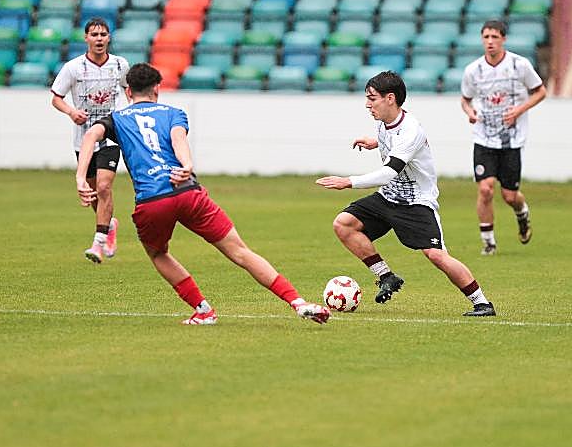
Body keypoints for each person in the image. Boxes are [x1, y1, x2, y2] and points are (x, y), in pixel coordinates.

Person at [76, 63, 330, 326]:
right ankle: (297, 302)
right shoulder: (174, 113)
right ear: (157, 90)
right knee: (240, 251)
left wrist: (81, 177)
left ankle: (203, 309)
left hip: (153, 201)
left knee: (158, 253)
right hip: (187, 190)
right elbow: (178, 141)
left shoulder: (117, 119)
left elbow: (91, 136)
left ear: (128, 92)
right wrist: (186, 166)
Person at [316, 71, 496, 317]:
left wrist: (348, 182)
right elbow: (393, 141)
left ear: (390, 98)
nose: (368, 104)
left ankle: (482, 303)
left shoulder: (411, 130)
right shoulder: (384, 123)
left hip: (416, 203)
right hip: (388, 197)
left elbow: (389, 172)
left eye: (372, 98)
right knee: (344, 224)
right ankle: (387, 277)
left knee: (436, 256)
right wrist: (375, 142)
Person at [459, 19, 547, 255]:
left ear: (503, 39)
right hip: (484, 138)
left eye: (494, 37)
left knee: (509, 196)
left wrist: (519, 110)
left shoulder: (520, 65)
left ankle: (522, 213)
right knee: (485, 189)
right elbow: (465, 100)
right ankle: (488, 242)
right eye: (486, 37)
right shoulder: (473, 71)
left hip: (512, 139)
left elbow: (541, 91)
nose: (490, 42)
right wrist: (470, 113)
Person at [51, 17, 129, 264]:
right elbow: (56, 97)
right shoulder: (73, 67)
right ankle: (109, 225)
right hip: (84, 137)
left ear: (109, 38)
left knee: (105, 187)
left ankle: (98, 243)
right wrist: (71, 112)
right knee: (95, 193)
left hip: (111, 133)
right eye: (94, 35)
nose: (99, 39)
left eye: (103, 35)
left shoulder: (120, 65)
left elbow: (130, 90)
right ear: (86, 38)